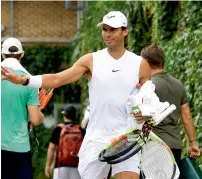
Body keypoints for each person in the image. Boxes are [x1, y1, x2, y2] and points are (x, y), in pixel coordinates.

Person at [1, 11, 151, 179]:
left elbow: (148, 100)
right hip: (96, 139)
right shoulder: (91, 60)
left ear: (125, 31)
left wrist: (146, 112)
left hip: (126, 137)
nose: (107, 34)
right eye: (105, 29)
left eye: (113, 29)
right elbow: (58, 79)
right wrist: (23, 80)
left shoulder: (141, 65)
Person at [140, 44, 201, 166]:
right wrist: (192, 143)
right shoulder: (178, 85)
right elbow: (186, 116)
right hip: (174, 145)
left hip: (153, 145)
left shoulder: (148, 86)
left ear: (145, 63)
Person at [1, 37, 44, 179]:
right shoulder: (29, 81)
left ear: (2, 54)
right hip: (19, 149)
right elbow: (35, 120)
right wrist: (40, 115)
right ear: (22, 54)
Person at [45, 104, 85, 179]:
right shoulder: (81, 131)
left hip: (60, 168)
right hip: (77, 168)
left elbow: (51, 148)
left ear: (64, 116)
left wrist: (48, 165)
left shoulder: (58, 129)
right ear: (75, 117)